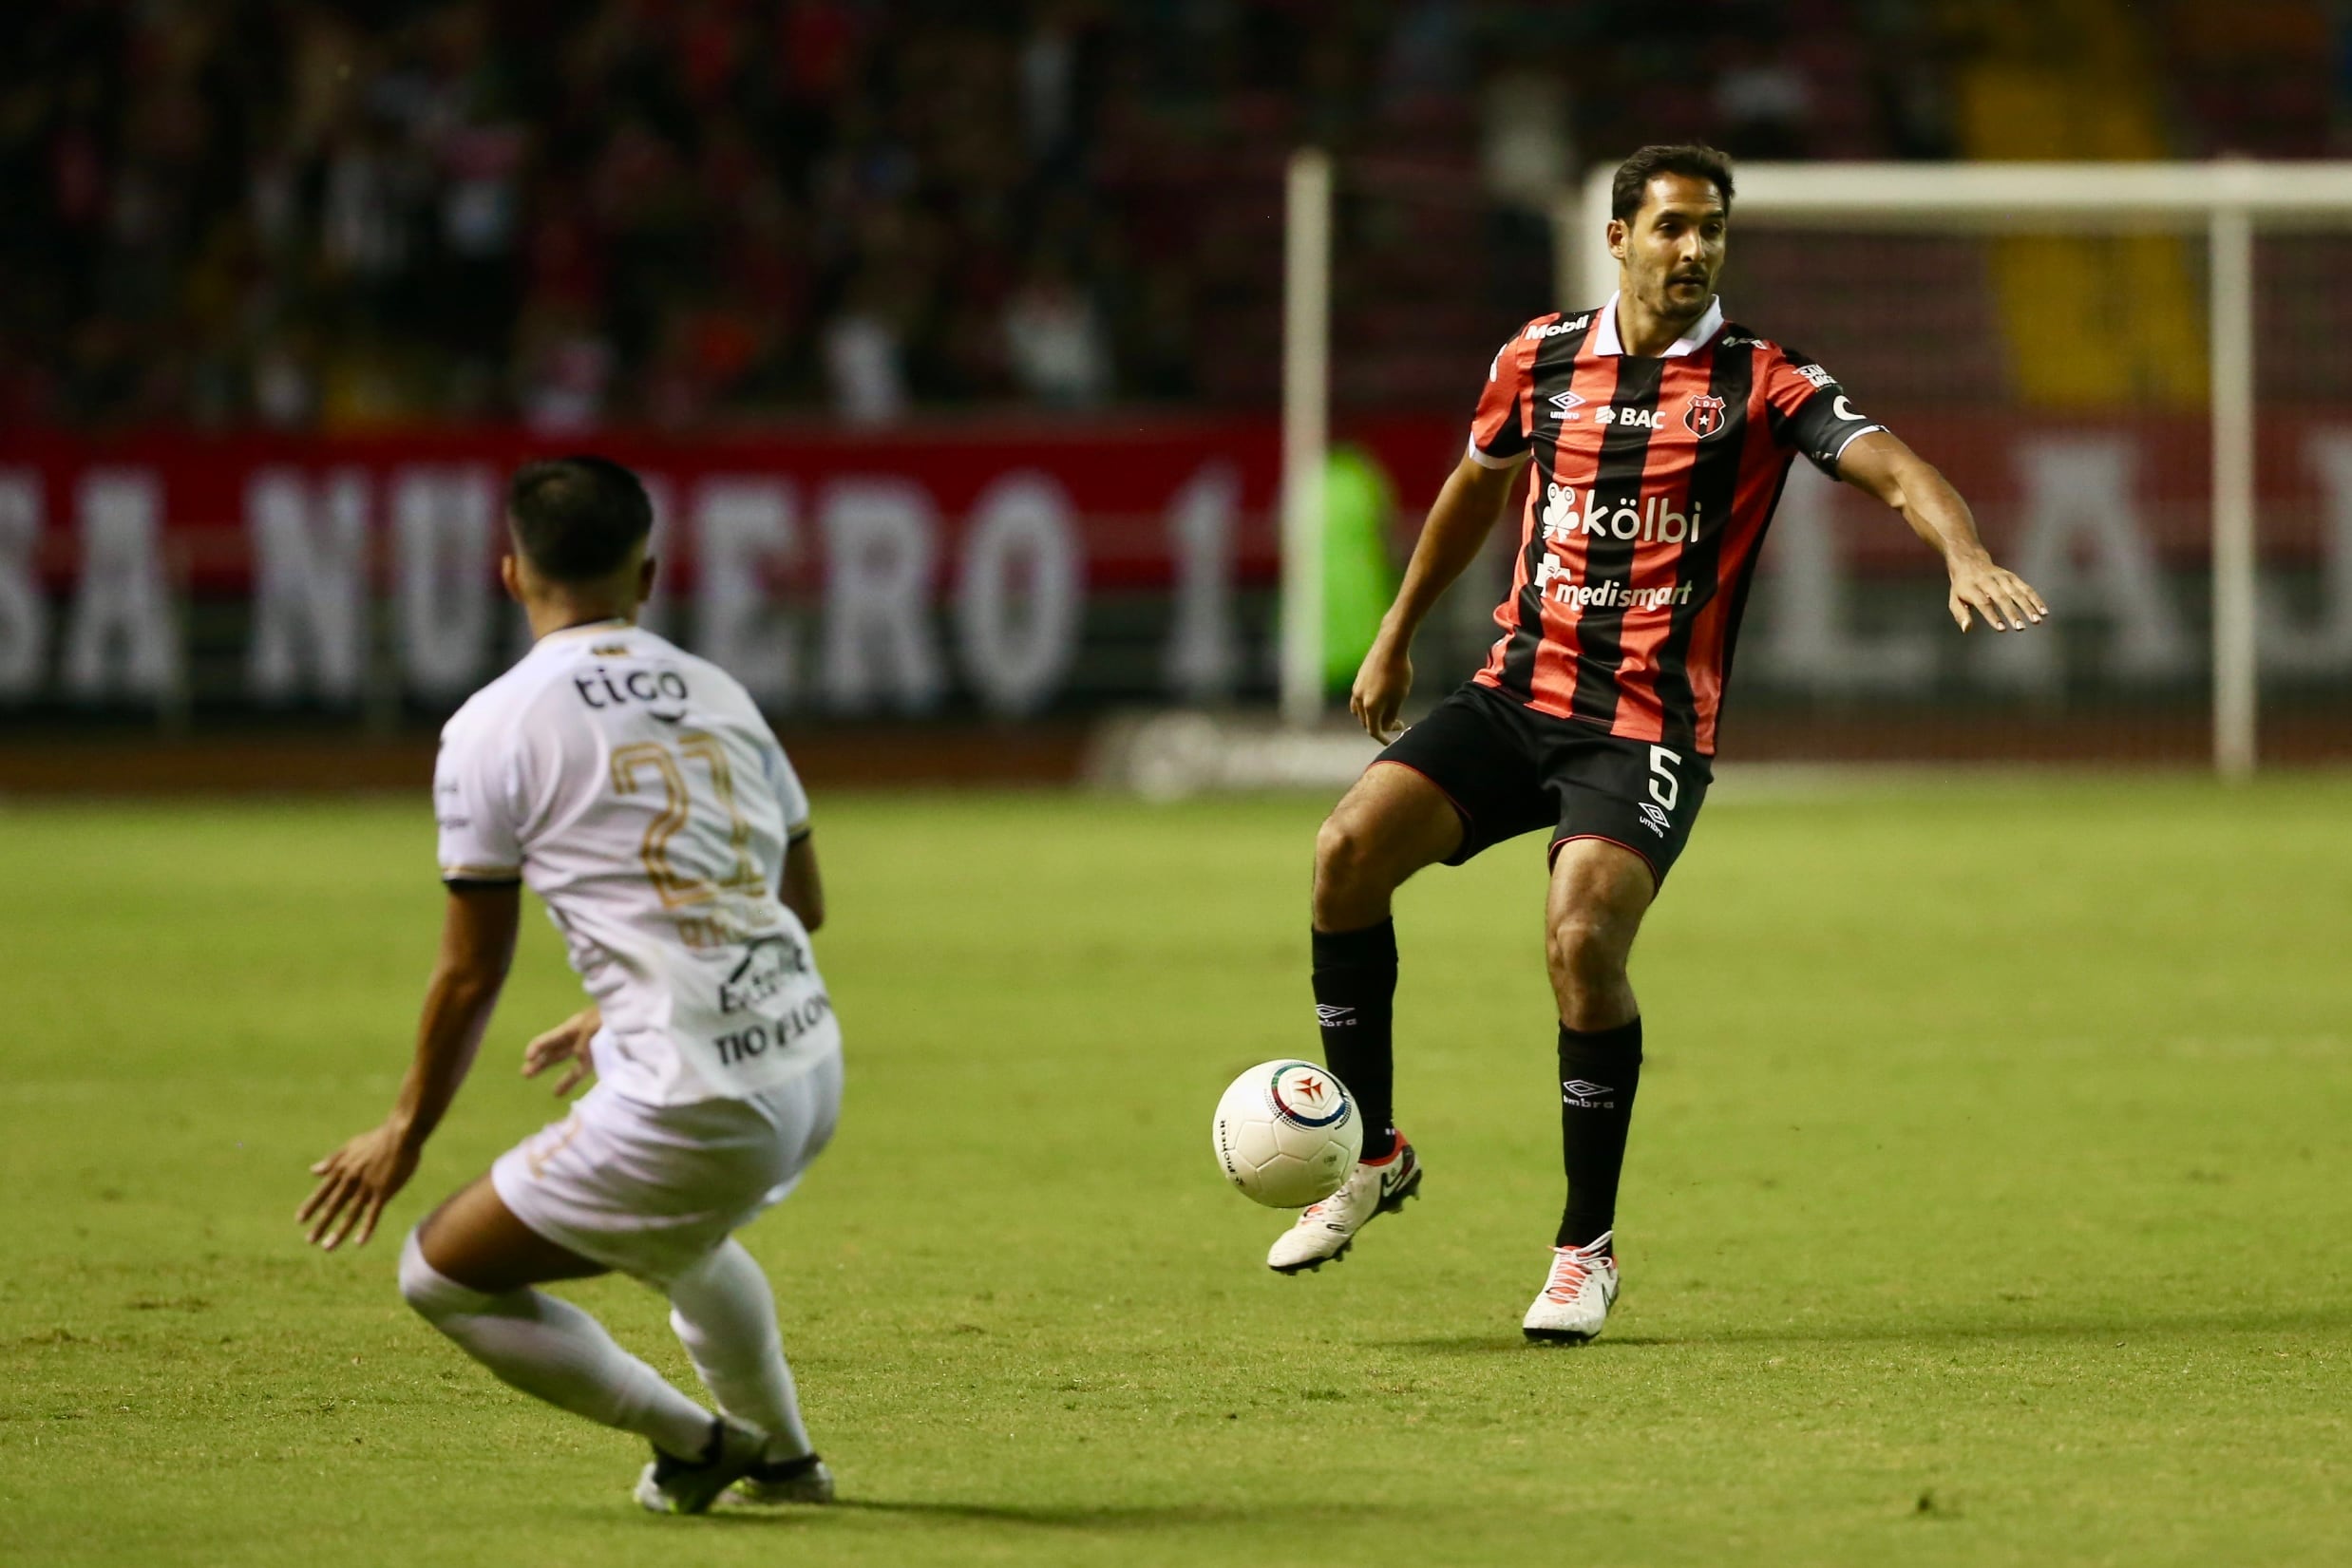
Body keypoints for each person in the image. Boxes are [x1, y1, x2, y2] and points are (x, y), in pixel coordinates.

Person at [1265, 144, 2049, 1342]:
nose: (1694, 251)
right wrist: (1395, 630)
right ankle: (1370, 1151)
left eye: (1712, 231)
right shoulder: (1535, 358)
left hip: (1644, 726)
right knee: (1342, 856)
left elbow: (1896, 469)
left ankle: (1584, 1249)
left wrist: (1964, 550)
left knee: (1581, 936)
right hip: (1514, 692)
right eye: (1673, 228)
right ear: (1619, 237)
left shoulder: (1761, 380)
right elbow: (1475, 488)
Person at [298, 456, 844, 1512]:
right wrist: (637, 993)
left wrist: (404, 1130)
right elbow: (799, 899)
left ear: (510, 573)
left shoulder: (492, 726)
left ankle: (695, 1443)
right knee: (681, 1239)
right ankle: (785, 1464)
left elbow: (472, 968)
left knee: (442, 1274)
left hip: (695, 1099)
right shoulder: (719, 690)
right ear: (649, 572)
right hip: (805, 1058)